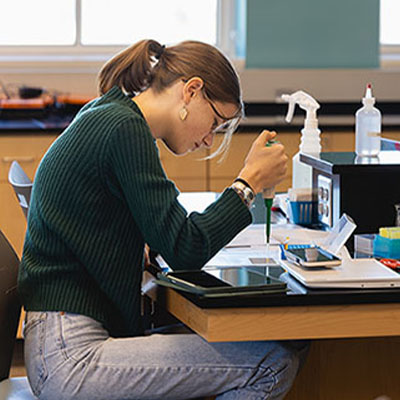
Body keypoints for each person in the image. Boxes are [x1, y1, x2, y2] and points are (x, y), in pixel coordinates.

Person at [18, 39, 308, 400]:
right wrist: (247, 184)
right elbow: (185, 247)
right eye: (215, 122)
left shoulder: (111, 114)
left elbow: (163, 230)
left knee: (247, 350)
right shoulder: (124, 129)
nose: (207, 140)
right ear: (191, 91)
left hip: (57, 344)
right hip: (70, 356)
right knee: (272, 360)